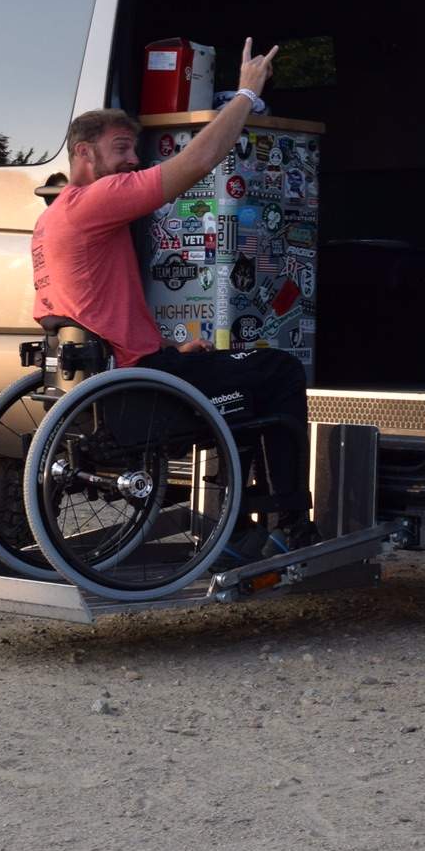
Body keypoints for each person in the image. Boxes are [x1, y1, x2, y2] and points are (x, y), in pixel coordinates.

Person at [30, 38, 309, 533]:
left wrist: (174, 348)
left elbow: (97, 315)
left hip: (116, 376)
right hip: (140, 384)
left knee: (229, 368)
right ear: (83, 153)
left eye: (134, 150)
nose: (133, 160)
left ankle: (241, 525)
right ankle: (291, 521)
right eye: (121, 149)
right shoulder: (98, 199)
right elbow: (198, 163)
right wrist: (245, 95)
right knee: (281, 371)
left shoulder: (50, 221)